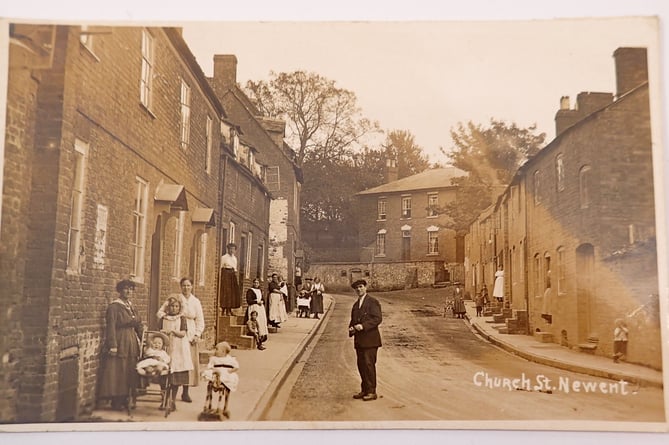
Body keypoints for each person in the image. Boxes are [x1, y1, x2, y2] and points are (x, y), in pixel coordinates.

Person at [98, 279, 143, 411]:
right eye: (125, 288)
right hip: (120, 339)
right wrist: (113, 345)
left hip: (131, 340)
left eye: (130, 289)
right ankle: (116, 399)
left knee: (129, 368)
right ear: (120, 290)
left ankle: (125, 397)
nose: (128, 291)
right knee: (118, 370)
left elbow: (138, 324)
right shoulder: (114, 307)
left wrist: (144, 339)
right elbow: (110, 326)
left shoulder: (130, 306)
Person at [157, 278, 204, 403]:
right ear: (180, 287)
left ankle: (185, 392)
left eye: (188, 285)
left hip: (190, 331)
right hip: (174, 329)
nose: (186, 288)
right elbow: (160, 312)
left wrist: (197, 335)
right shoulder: (175, 298)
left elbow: (200, 320)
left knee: (188, 363)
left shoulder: (195, 301)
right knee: (174, 362)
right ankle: (168, 391)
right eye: (184, 285)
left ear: (192, 287)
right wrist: (168, 319)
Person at [348, 279, 382, 402]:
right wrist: (351, 328)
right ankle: (365, 390)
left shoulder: (373, 302)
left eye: (361, 287)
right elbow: (353, 320)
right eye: (356, 288)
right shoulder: (356, 305)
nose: (359, 289)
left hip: (370, 340)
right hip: (359, 341)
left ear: (365, 287)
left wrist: (363, 326)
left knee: (369, 365)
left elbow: (377, 318)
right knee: (361, 366)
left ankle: (372, 391)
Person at [158, 295, 194, 411]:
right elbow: (158, 333)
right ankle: (164, 399)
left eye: (176, 306)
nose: (174, 308)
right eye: (172, 306)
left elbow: (183, 333)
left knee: (176, 375)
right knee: (163, 373)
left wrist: (173, 331)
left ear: (179, 308)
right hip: (166, 348)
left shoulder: (181, 318)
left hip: (179, 348)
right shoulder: (163, 318)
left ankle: (172, 400)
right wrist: (163, 333)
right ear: (168, 307)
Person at [218, 243, 241, 316]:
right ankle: (224, 310)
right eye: (230, 249)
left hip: (232, 274)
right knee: (226, 292)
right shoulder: (224, 257)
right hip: (225, 274)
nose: (232, 251)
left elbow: (235, 269)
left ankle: (229, 309)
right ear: (228, 249)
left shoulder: (235, 258)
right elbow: (221, 267)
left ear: (235, 250)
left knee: (232, 293)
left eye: (233, 249)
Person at [244, 277, 269, 342]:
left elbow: (263, 299)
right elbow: (249, 301)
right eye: (255, 283)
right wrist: (256, 302)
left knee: (261, 320)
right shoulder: (250, 290)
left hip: (260, 308)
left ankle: (262, 335)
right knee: (255, 320)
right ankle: (255, 334)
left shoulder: (260, 290)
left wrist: (262, 301)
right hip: (254, 307)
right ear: (253, 283)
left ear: (259, 284)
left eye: (257, 283)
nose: (256, 284)